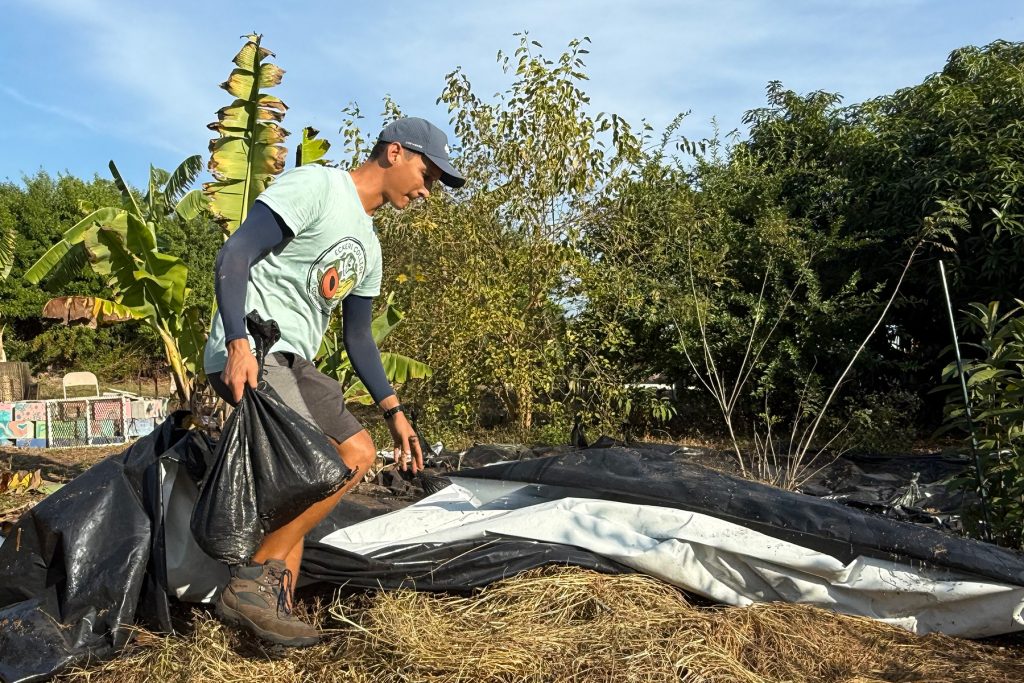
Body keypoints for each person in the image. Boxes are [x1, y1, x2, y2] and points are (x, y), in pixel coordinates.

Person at [202, 117, 465, 647]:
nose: (427, 190)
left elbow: (360, 339)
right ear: (395, 152)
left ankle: (275, 618)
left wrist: (394, 409)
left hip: (299, 362)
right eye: (428, 174)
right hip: (256, 347)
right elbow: (235, 254)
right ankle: (251, 584)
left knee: (339, 465)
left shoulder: (370, 248)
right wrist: (236, 343)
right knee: (335, 462)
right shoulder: (318, 186)